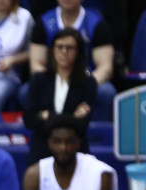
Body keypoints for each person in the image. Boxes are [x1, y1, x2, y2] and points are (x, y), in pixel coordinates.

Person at [29, 0, 115, 121]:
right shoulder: (43, 23)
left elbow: (106, 68)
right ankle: (42, 135)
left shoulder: (97, 24)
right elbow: (36, 65)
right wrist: (55, 85)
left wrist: (82, 86)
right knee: (25, 92)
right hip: (53, 80)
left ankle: (96, 137)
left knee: (106, 92)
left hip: (85, 79)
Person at [23, 114, 117, 190]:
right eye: (58, 141)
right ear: (50, 143)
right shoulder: (34, 175)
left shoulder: (99, 174)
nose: (63, 148)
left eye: (69, 142)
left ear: (78, 143)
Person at [23, 28, 96, 166]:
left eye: (69, 48)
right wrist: (72, 117)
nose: (64, 52)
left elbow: (82, 124)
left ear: (78, 52)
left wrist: (47, 116)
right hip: (41, 151)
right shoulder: (39, 80)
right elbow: (29, 119)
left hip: (76, 153)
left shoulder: (88, 83)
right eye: (60, 47)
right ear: (53, 50)